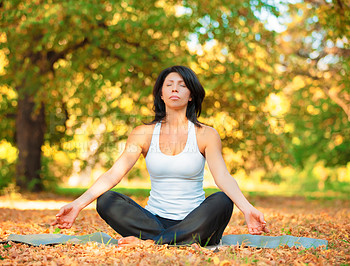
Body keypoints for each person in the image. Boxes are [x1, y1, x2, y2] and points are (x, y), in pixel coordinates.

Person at [52, 65, 268, 247]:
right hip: (152, 220)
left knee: (222, 200)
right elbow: (114, 174)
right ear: (161, 94)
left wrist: (247, 208)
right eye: (169, 85)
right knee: (107, 200)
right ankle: (170, 240)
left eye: (182, 85)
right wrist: (78, 204)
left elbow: (223, 177)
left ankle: (151, 242)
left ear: (191, 94)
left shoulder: (206, 134)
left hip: (195, 221)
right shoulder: (142, 134)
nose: (175, 89)